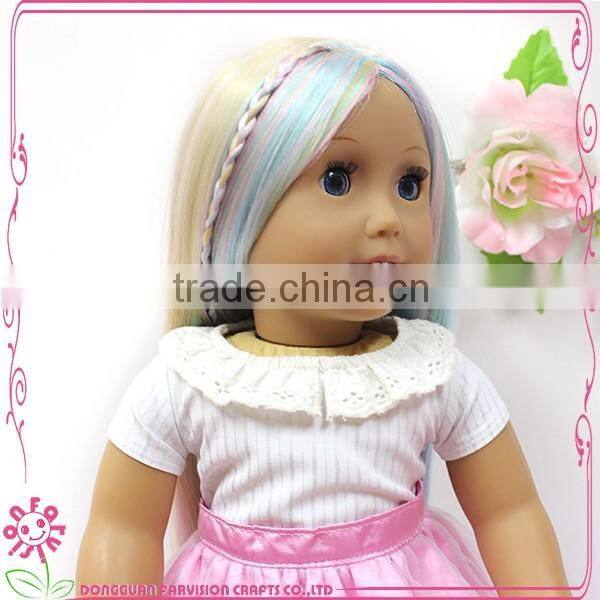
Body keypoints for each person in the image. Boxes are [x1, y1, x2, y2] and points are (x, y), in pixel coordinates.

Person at [76, 37, 570, 597]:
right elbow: (122, 531)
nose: (388, 218)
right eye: (338, 179)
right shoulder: (191, 381)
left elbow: (510, 513)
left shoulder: (430, 373)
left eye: (410, 184)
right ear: (241, 205)